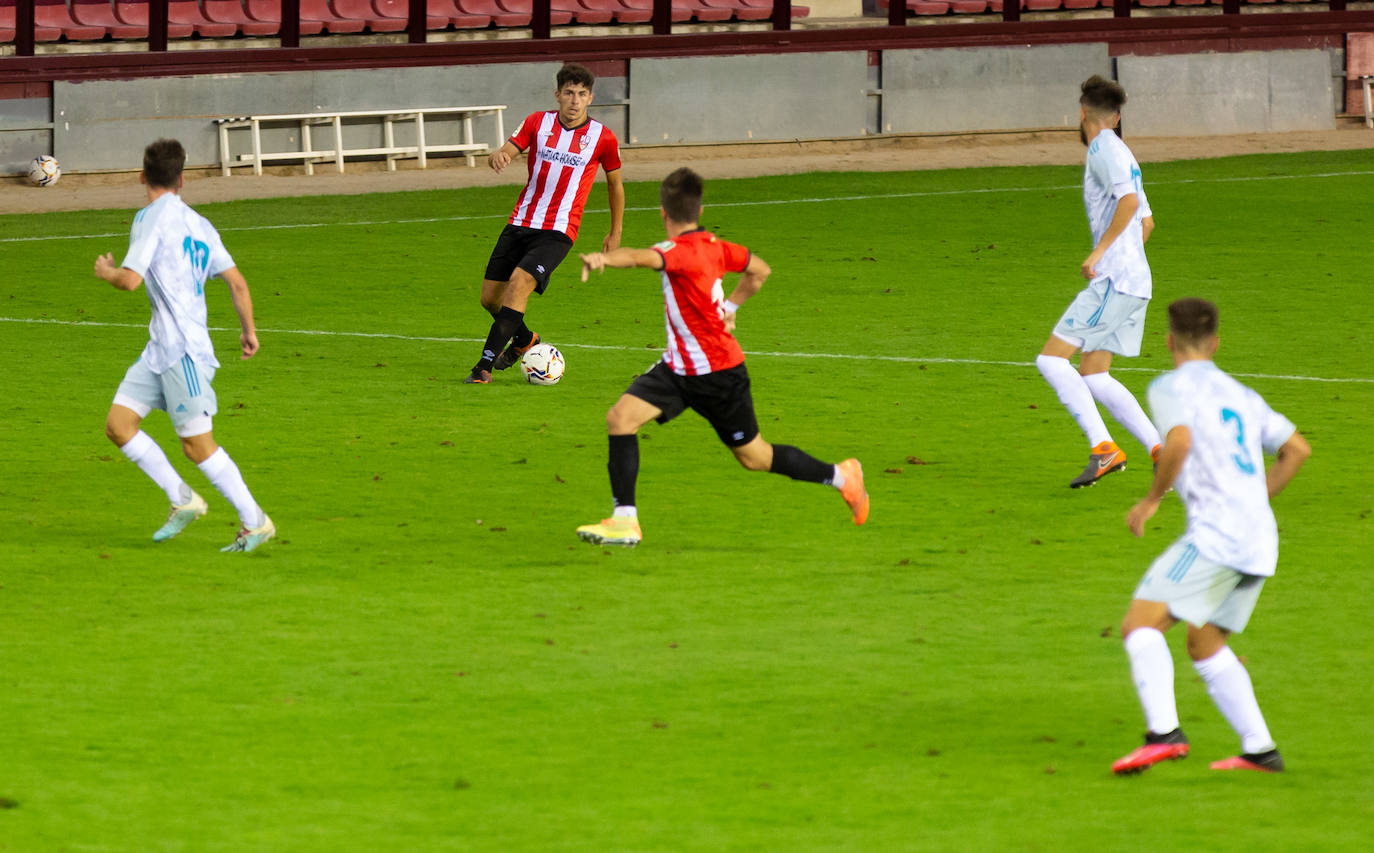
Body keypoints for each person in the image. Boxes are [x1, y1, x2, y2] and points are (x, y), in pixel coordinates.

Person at [572, 167, 869, 547]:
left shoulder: (675, 252)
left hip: (718, 374)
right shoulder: (715, 245)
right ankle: (625, 520)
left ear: (663, 213)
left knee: (755, 457)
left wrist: (603, 259)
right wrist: (731, 306)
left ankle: (843, 477)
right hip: (679, 369)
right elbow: (760, 271)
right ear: (696, 210)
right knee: (621, 418)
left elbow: (639, 257)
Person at [1112, 298, 1309, 775]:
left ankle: (1164, 735)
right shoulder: (1242, 394)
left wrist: (1153, 497)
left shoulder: (1169, 387)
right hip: (1260, 540)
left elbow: (1178, 442)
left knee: (1140, 625)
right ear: (1216, 343)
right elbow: (1297, 450)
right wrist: (1256, 500)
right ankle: (1261, 750)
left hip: (1218, 538)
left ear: (1169, 342)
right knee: (1204, 644)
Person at [95, 138, 275, 553]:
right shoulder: (200, 224)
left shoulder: (149, 218)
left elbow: (130, 279)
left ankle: (256, 521)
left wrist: (106, 271)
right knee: (118, 426)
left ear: (142, 177)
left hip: (186, 354)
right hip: (160, 349)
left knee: (197, 446)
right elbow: (237, 282)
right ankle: (182, 498)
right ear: (182, 179)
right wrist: (248, 329)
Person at [1036, 75, 1162, 488]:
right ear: (1117, 115)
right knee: (1094, 373)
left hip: (1115, 281)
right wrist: (1125, 255)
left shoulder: (1103, 149)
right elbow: (1147, 221)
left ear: (1082, 113)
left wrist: (1101, 253)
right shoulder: (1122, 150)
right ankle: (1159, 451)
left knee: (1052, 360)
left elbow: (1128, 203)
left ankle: (1103, 448)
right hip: (1135, 281)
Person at [464, 62, 625, 384]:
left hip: (559, 231)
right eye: (568, 93)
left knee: (520, 284)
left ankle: (483, 366)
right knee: (489, 299)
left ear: (590, 98)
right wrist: (501, 155)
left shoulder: (602, 138)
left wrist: (615, 230)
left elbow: (615, 185)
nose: (574, 100)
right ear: (558, 95)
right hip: (521, 221)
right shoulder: (538, 122)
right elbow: (510, 148)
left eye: (581, 94)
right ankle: (525, 341)